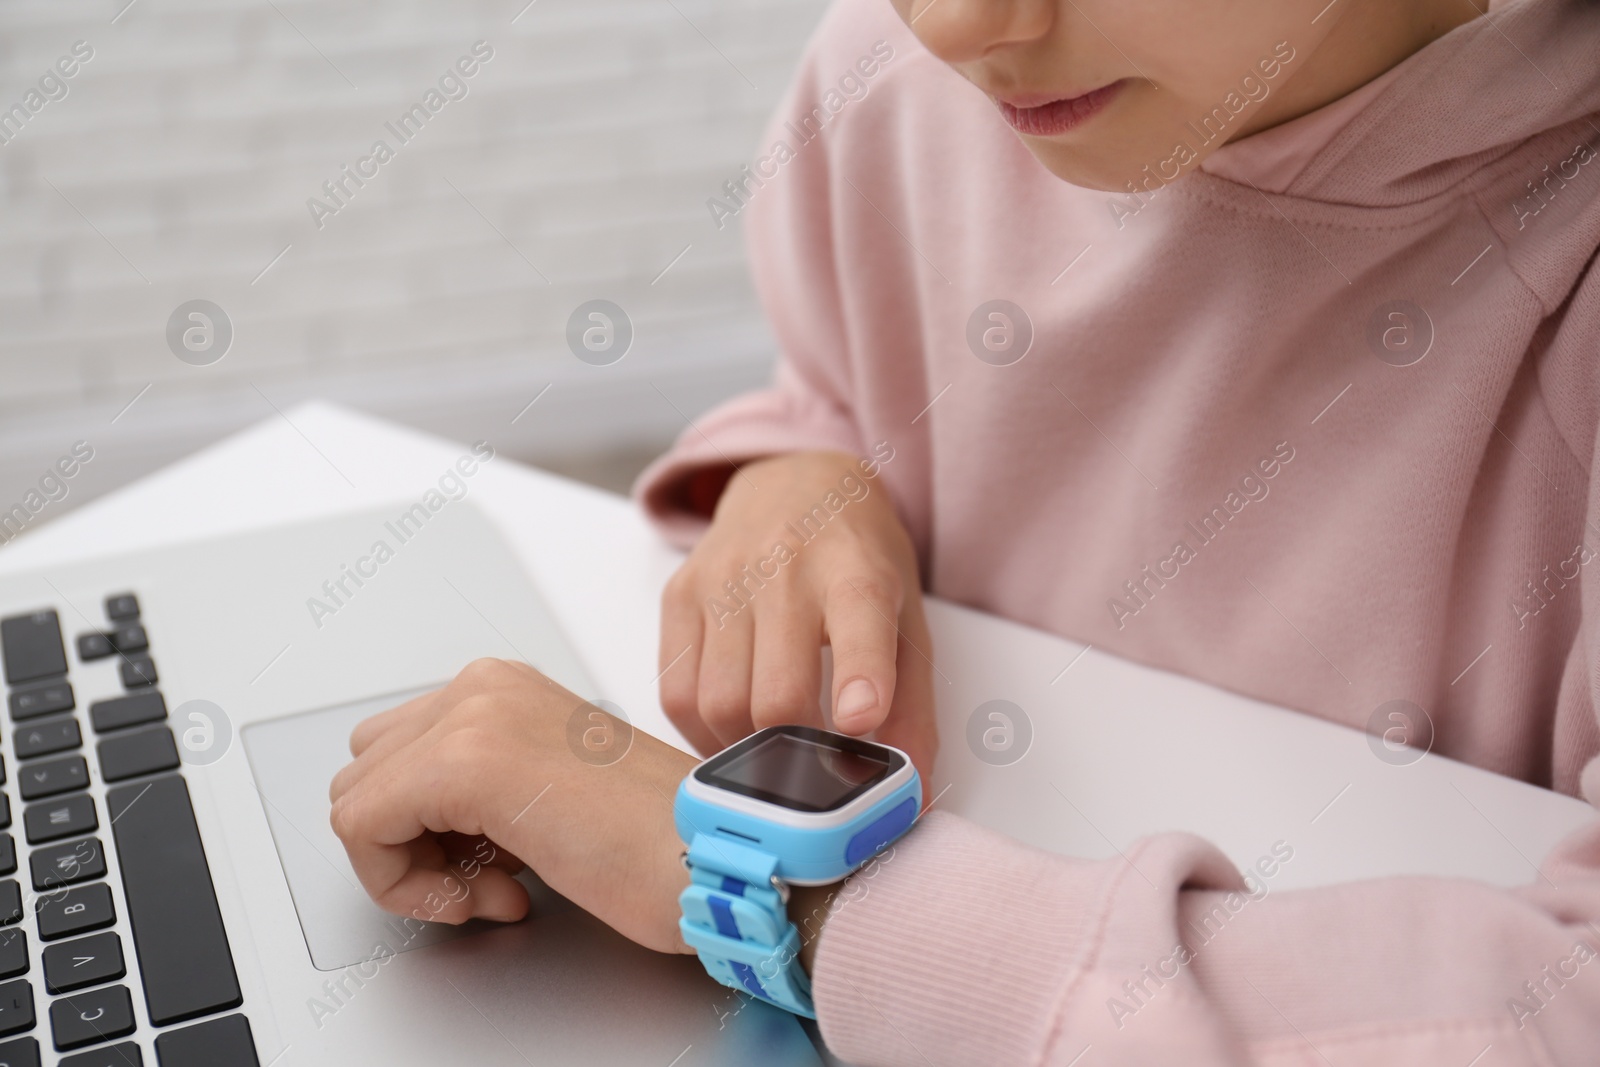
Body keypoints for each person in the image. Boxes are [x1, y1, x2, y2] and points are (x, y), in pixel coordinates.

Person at [330, 0, 1600, 1062]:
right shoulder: (898, 95)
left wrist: (797, 901)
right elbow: (837, 376)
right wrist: (800, 467)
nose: (952, 22)